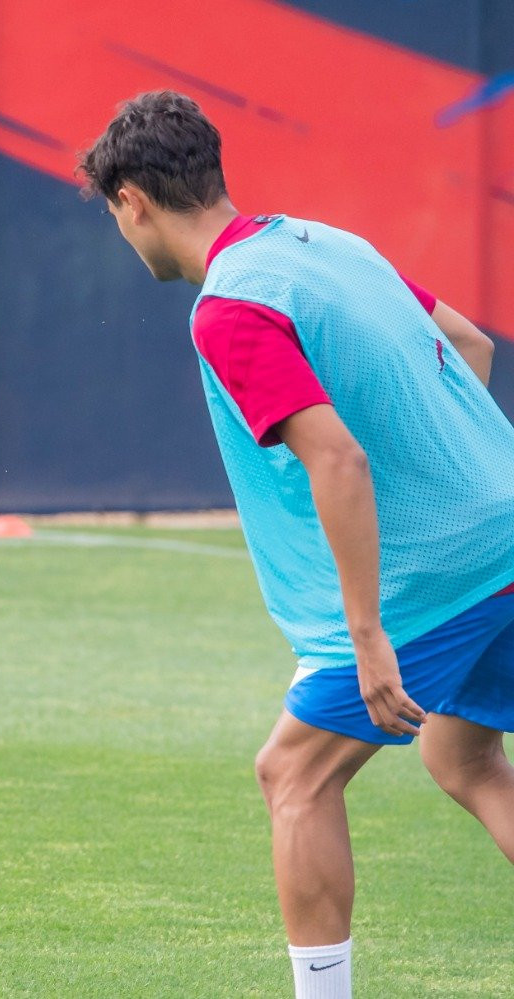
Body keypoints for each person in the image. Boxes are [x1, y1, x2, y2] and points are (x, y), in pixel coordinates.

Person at [80, 90, 514, 999]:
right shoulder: (329, 244)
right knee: (464, 757)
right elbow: (469, 344)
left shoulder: (230, 306)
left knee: (294, 775)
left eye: (116, 217)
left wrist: (369, 634)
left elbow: (341, 461)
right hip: (504, 532)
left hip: (431, 584)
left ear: (132, 201)